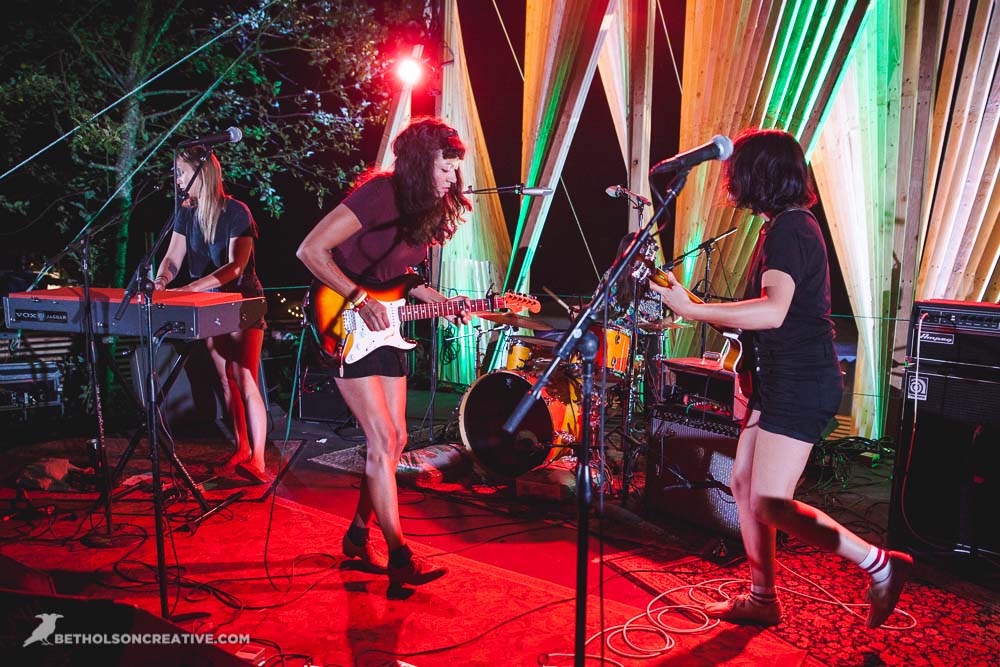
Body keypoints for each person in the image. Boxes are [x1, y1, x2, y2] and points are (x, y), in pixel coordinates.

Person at [648, 129, 912, 629]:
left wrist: (694, 310)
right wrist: (698, 310)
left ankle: (880, 564)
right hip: (778, 381)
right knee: (745, 485)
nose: (729, 178)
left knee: (770, 502)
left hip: (801, 383)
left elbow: (773, 311)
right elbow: (772, 317)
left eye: (736, 169)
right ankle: (763, 599)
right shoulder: (782, 227)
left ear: (758, 174)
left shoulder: (792, 229)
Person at [296, 117, 473, 589]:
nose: (453, 179)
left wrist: (438, 300)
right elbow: (310, 250)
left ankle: (358, 534)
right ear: (419, 163)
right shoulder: (377, 194)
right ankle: (399, 555)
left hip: (385, 328)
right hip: (343, 319)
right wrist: (358, 299)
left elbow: (401, 276)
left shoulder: (423, 207)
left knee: (394, 442)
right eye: (445, 167)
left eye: (456, 169)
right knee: (380, 440)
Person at [155, 146, 269, 483]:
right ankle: (241, 448)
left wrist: (189, 290)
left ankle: (259, 459)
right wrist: (162, 280)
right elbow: (173, 257)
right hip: (210, 305)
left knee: (244, 376)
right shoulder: (185, 213)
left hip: (243, 301)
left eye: (180, 172)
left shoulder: (236, 212)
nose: (176, 179)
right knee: (225, 379)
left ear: (200, 173)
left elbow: (236, 267)